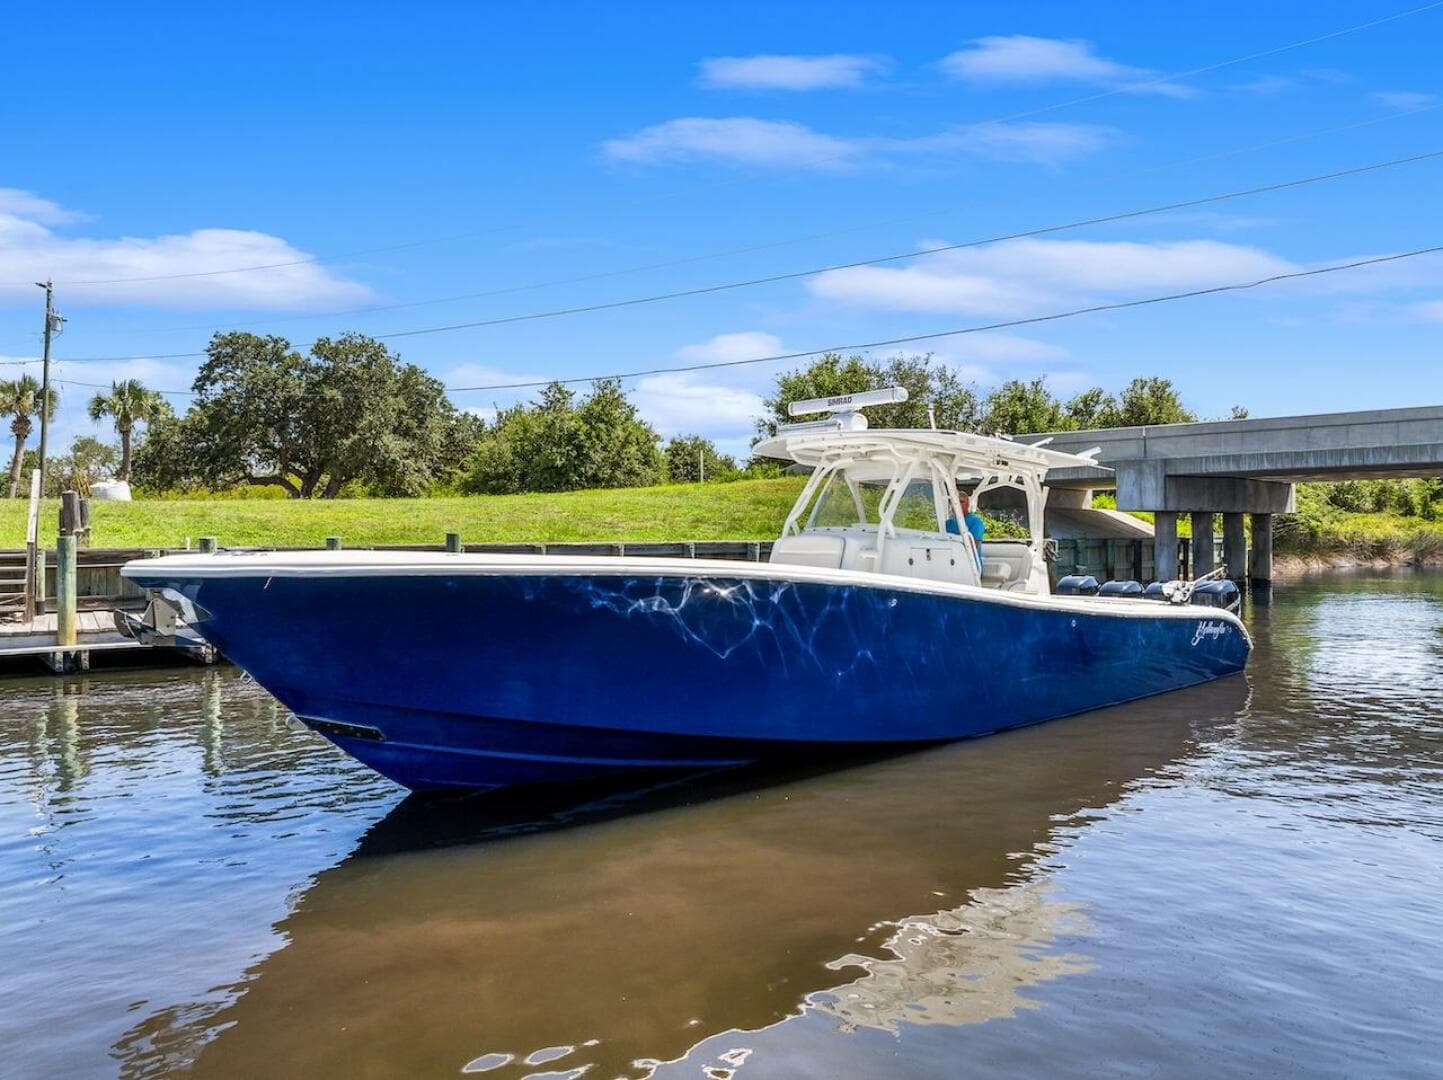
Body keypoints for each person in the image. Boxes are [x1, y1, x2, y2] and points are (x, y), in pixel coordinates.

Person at [945, 492, 987, 572]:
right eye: (955, 502)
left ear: (967, 504)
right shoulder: (948, 523)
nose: (957, 504)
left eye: (961, 502)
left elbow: (972, 546)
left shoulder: (976, 522)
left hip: (971, 568)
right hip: (951, 562)